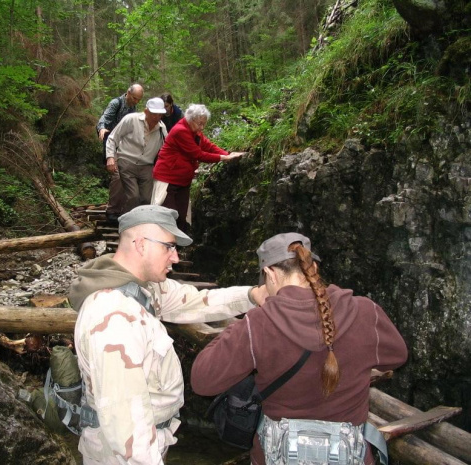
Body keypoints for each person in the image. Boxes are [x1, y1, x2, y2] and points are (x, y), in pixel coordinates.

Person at [68, 205, 269, 464]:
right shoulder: (114, 317)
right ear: (140, 244)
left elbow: (197, 301)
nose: (175, 258)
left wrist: (252, 295)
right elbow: (125, 426)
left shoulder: (143, 289)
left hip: (150, 440)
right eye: (169, 246)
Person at [191, 233, 408, 465]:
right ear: (312, 266)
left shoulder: (258, 324)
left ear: (270, 274)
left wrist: (240, 326)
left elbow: (202, 381)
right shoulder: (365, 312)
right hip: (350, 456)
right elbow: (396, 356)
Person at [151, 103, 246, 233]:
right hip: (167, 179)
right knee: (167, 215)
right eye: (199, 123)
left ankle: (178, 248)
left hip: (182, 180)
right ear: (190, 119)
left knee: (182, 216)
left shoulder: (194, 131)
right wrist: (223, 158)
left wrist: (228, 154)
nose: (202, 127)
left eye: (204, 124)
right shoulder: (181, 131)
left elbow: (208, 146)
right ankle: (162, 248)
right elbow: (197, 154)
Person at [106, 97, 168, 214]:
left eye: (160, 115)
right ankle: (122, 217)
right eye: (154, 114)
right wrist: (110, 157)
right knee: (133, 196)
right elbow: (113, 138)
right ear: (146, 111)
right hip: (126, 161)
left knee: (146, 199)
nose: (156, 118)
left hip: (147, 166)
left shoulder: (162, 128)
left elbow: (167, 148)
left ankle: (140, 221)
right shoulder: (131, 119)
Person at [97, 84, 144, 222]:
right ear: (127, 93)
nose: (136, 102)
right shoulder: (116, 103)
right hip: (113, 145)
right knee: (117, 176)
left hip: (126, 147)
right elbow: (104, 118)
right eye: (134, 98)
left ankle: (122, 209)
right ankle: (112, 211)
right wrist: (101, 128)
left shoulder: (133, 107)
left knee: (128, 176)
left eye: (138, 100)